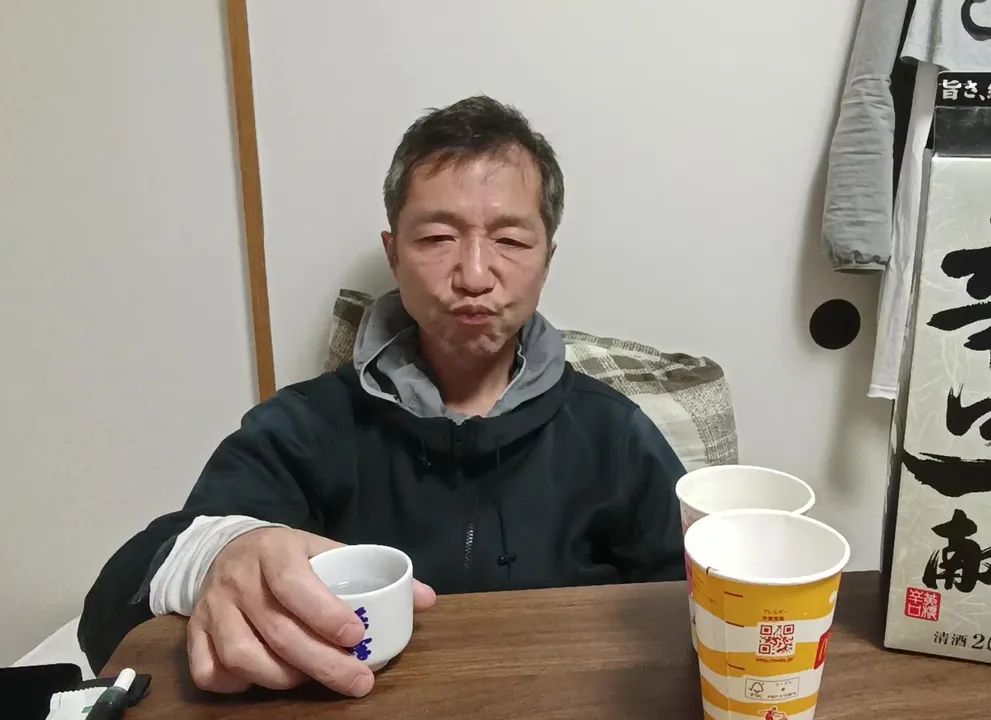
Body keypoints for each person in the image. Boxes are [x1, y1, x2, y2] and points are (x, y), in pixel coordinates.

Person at [78, 96, 687, 697]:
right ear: (393, 254)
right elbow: (110, 615)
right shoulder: (306, 427)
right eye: (438, 237)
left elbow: (699, 608)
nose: (474, 275)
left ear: (547, 260)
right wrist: (219, 556)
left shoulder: (616, 434)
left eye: (510, 240)